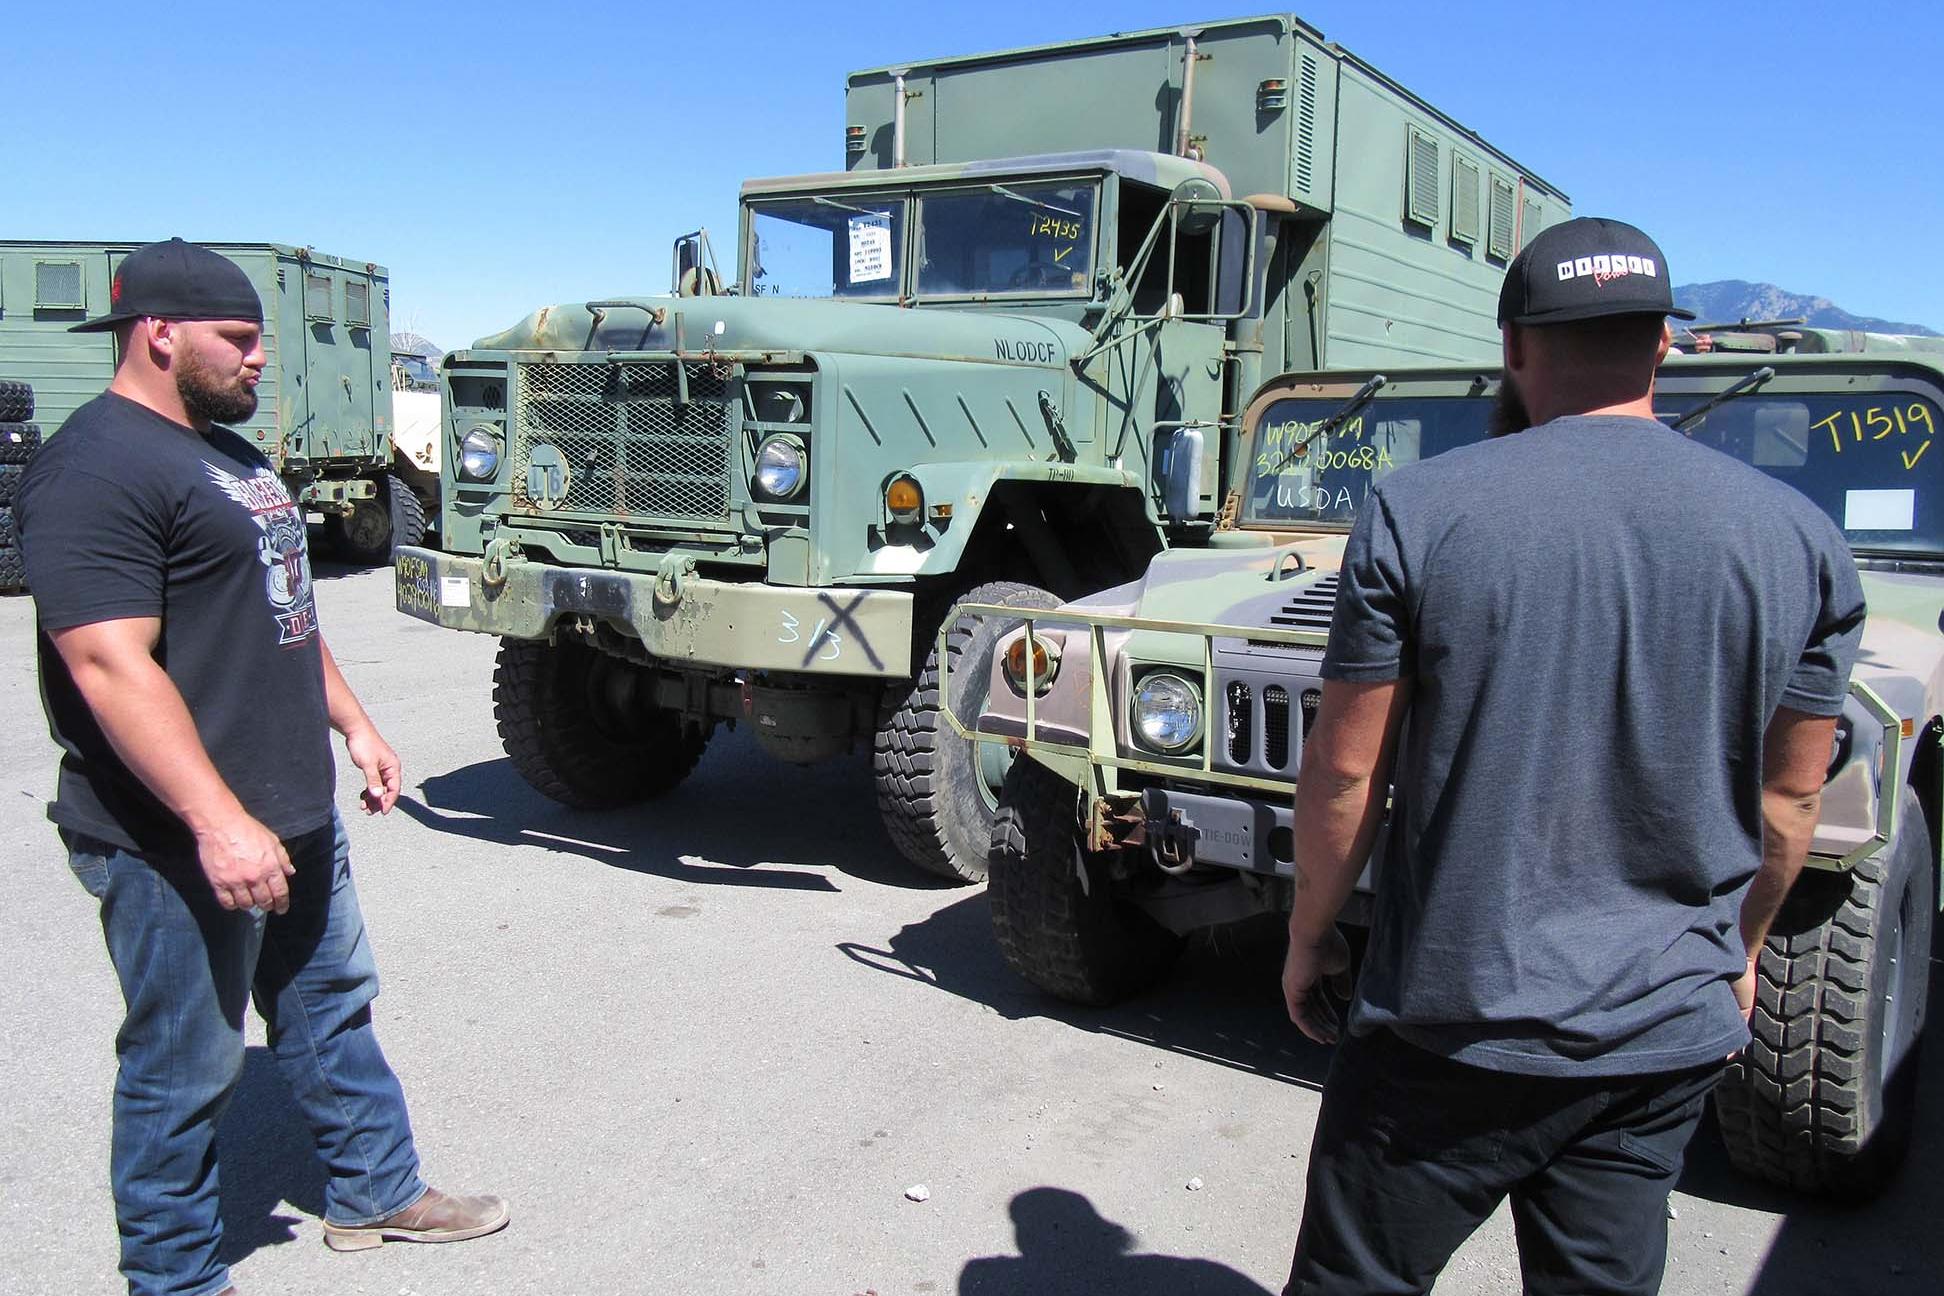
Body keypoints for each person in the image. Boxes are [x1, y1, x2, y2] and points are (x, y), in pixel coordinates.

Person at [1277, 217, 1865, 1295]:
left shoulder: (1418, 511)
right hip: (1657, 1031)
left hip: (1444, 1027)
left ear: (1514, 347)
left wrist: (1311, 934)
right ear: (1666, 346)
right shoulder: (1798, 539)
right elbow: (1792, 800)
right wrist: (1737, 951)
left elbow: (1348, 771)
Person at [17, 238, 509, 1296]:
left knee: (332, 1006)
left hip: (294, 813)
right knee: (186, 1066)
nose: (257, 362)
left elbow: (282, 613)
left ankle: (376, 1191)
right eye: (238, 340)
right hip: (173, 839)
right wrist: (216, 820)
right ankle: (176, 1277)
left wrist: (356, 726)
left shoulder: (228, 458)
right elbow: (108, 663)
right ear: (159, 333)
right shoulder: (96, 465)